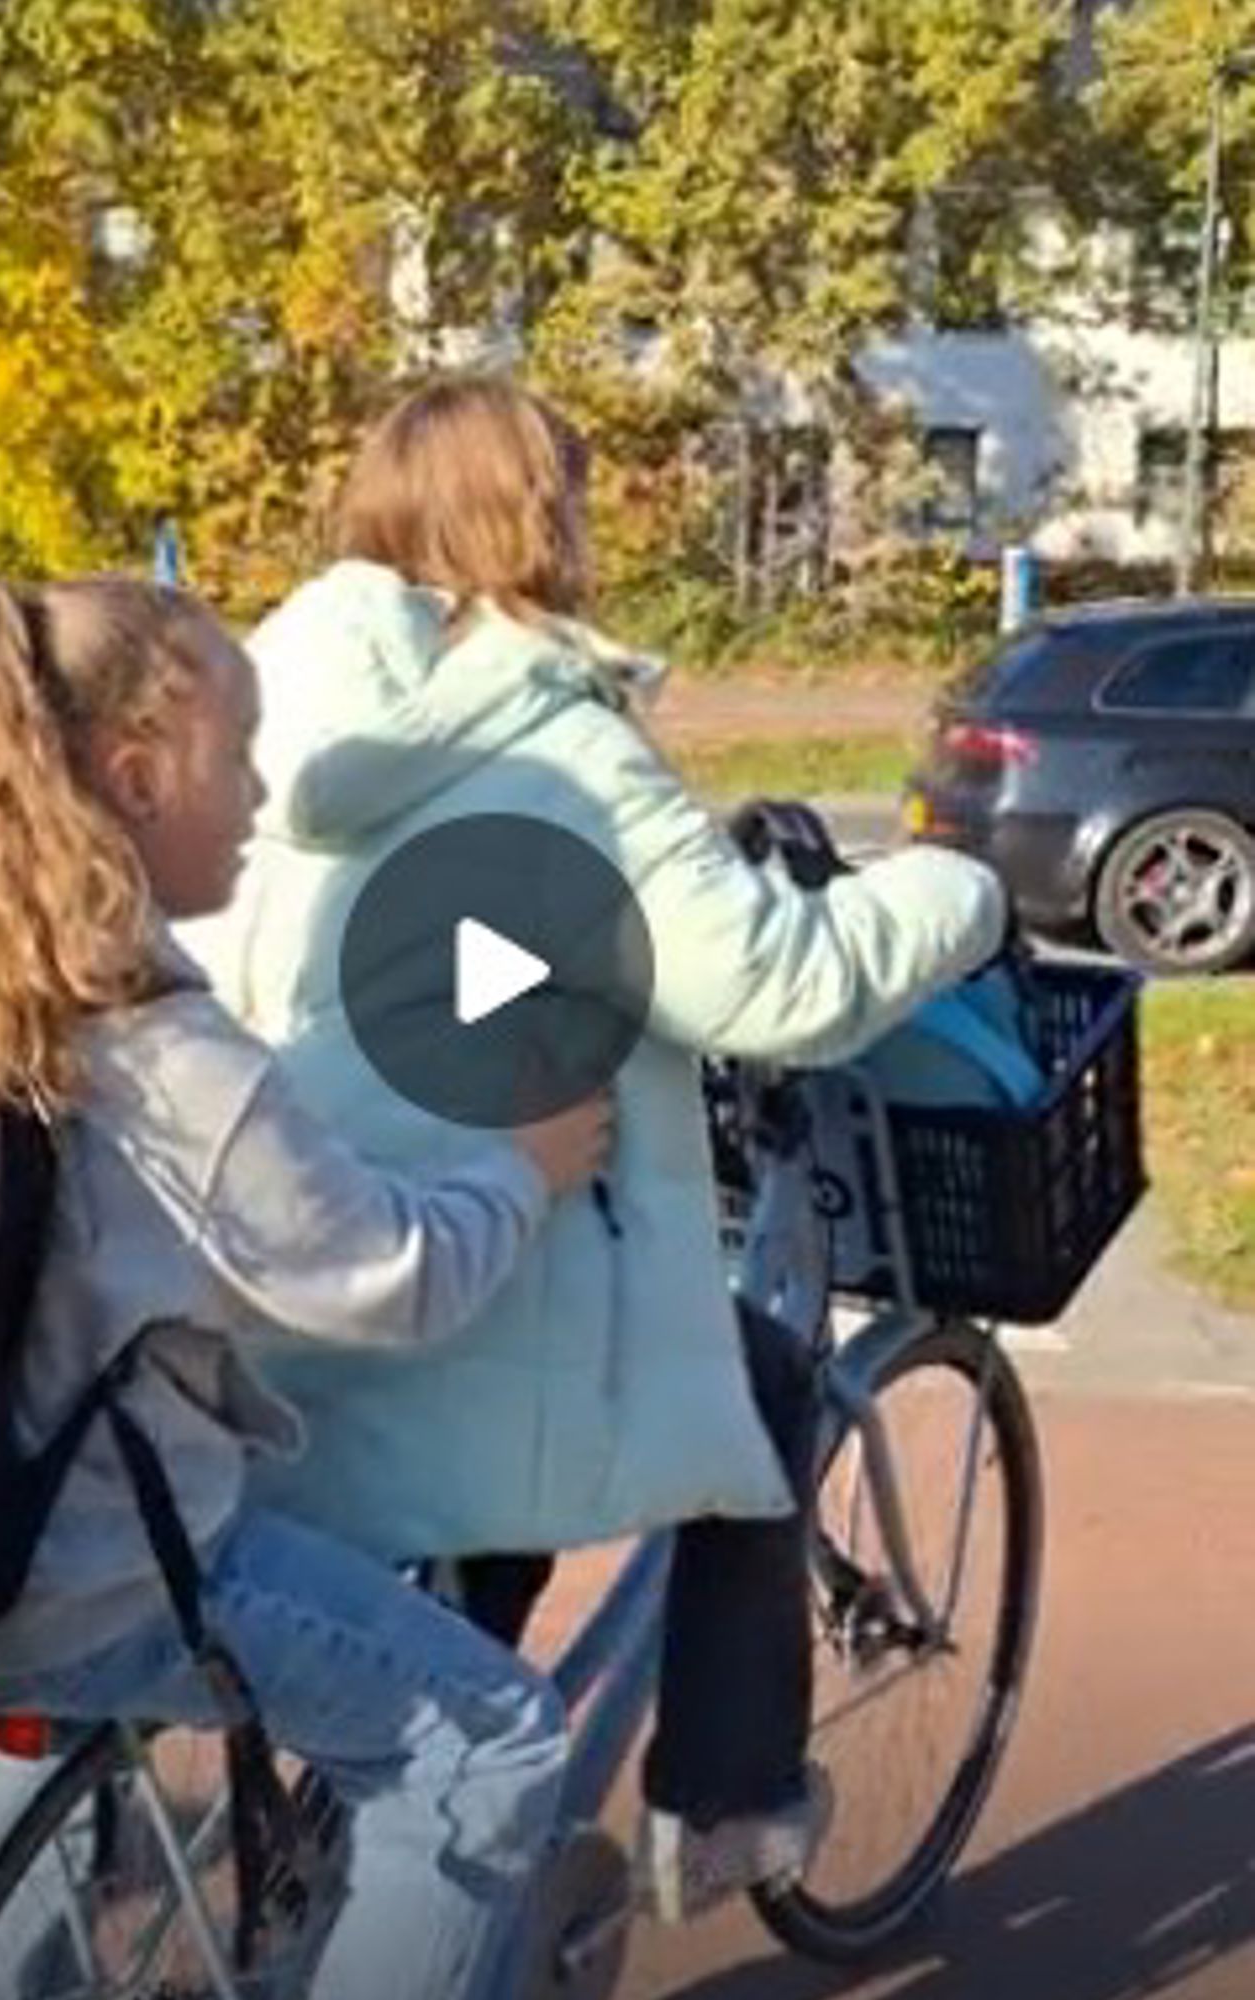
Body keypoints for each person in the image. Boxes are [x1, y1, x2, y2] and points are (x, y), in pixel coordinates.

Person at [181, 374, 1012, 1925]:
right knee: (760, 1384)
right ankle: (732, 1809)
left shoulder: (258, 709)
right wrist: (952, 893)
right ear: (536, 518)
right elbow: (772, 982)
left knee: (461, 1505)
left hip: (273, 1264)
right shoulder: (552, 745)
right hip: (475, 1258)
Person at [0, 558, 618, 2000]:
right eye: (243, 755)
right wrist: (524, 1167)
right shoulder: (141, 1038)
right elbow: (384, 1279)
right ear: (141, 775)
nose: (266, 795)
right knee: (488, 1735)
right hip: (86, 1577)